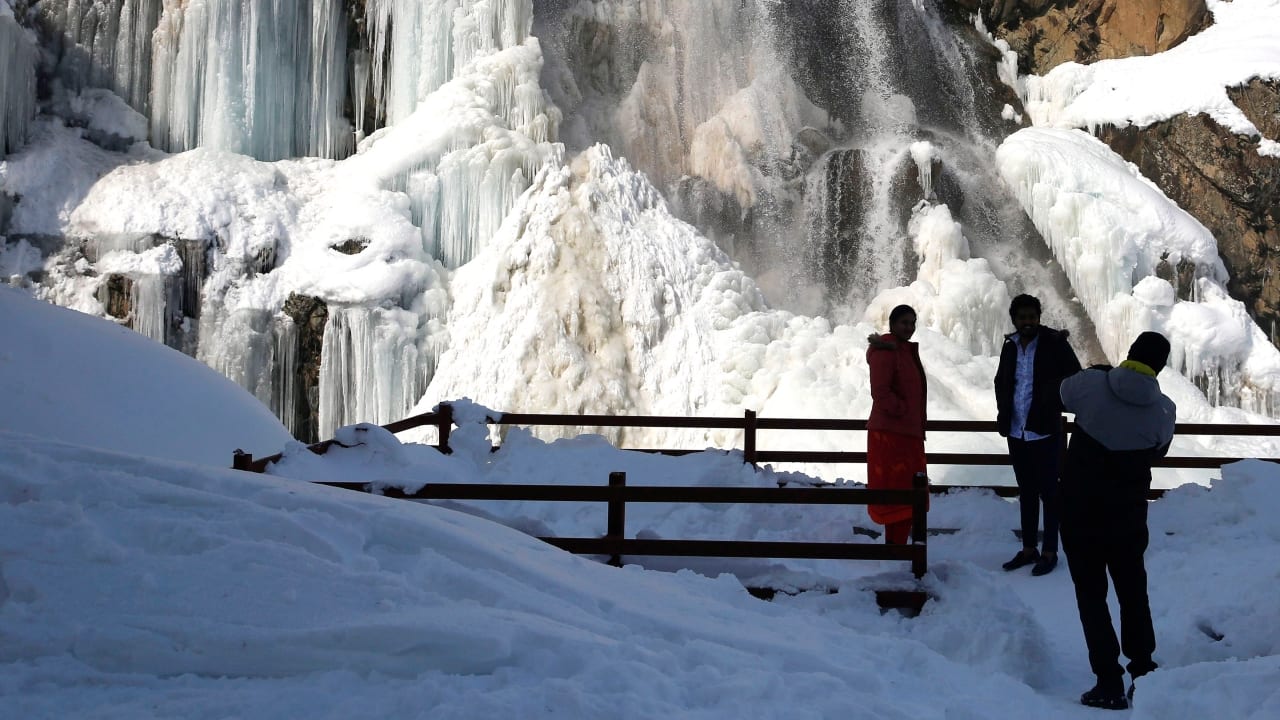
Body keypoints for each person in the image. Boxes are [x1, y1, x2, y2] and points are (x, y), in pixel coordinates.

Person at [1058, 331, 1176, 710]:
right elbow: (1159, 451)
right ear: (1159, 366)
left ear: (1130, 353)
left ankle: (1108, 679)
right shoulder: (1164, 409)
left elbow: (1062, 392)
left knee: (1091, 596)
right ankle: (1143, 674)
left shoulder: (1091, 385)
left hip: (1080, 512)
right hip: (1127, 516)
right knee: (1132, 593)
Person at [994, 294, 1082, 576]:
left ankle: (1050, 551)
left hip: (1044, 430)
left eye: (1032, 317)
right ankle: (1029, 548)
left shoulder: (1055, 343)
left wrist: (1051, 402)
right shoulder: (1010, 346)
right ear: (1015, 320)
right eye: (1022, 318)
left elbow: (1074, 377)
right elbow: (1001, 381)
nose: (1027, 322)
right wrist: (1003, 412)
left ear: (1039, 317)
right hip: (1017, 431)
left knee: (1050, 493)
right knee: (1027, 492)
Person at [865, 304, 927, 545]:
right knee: (898, 492)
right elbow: (880, 391)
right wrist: (902, 410)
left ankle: (898, 547)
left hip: (906, 432)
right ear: (892, 324)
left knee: (908, 491)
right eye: (904, 323)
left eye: (912, 323)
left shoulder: (902, 349)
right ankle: (895, 548)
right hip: (892, 434)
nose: (909, 328)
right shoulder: (887, 350)